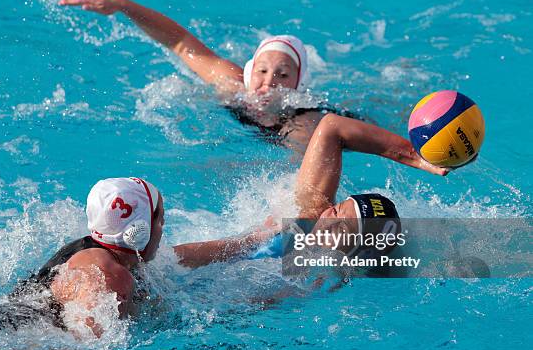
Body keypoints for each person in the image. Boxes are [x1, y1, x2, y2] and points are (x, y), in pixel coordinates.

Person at [58, 0, 352, 151]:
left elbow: (301, 179)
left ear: (298, 85)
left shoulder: (304, 124)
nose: (269, 82)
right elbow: (180, 43)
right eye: (262, 70)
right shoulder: (233, 85)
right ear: (249, 73)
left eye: (283, 75)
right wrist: (123, 6)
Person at [174, 113, 447, 268]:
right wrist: (416, 156)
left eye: (342, 229)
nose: (328, 223)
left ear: (353, 253)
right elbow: (332, 126)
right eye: (337, 210)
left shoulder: (319, 276)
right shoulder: (310, 215)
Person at [0, 177, 165, 339]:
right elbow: (88, 349)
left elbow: (179, 257)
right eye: (160, 219)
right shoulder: (110, 275)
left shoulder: (96, 250)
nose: (163, 228)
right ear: (140, 229)